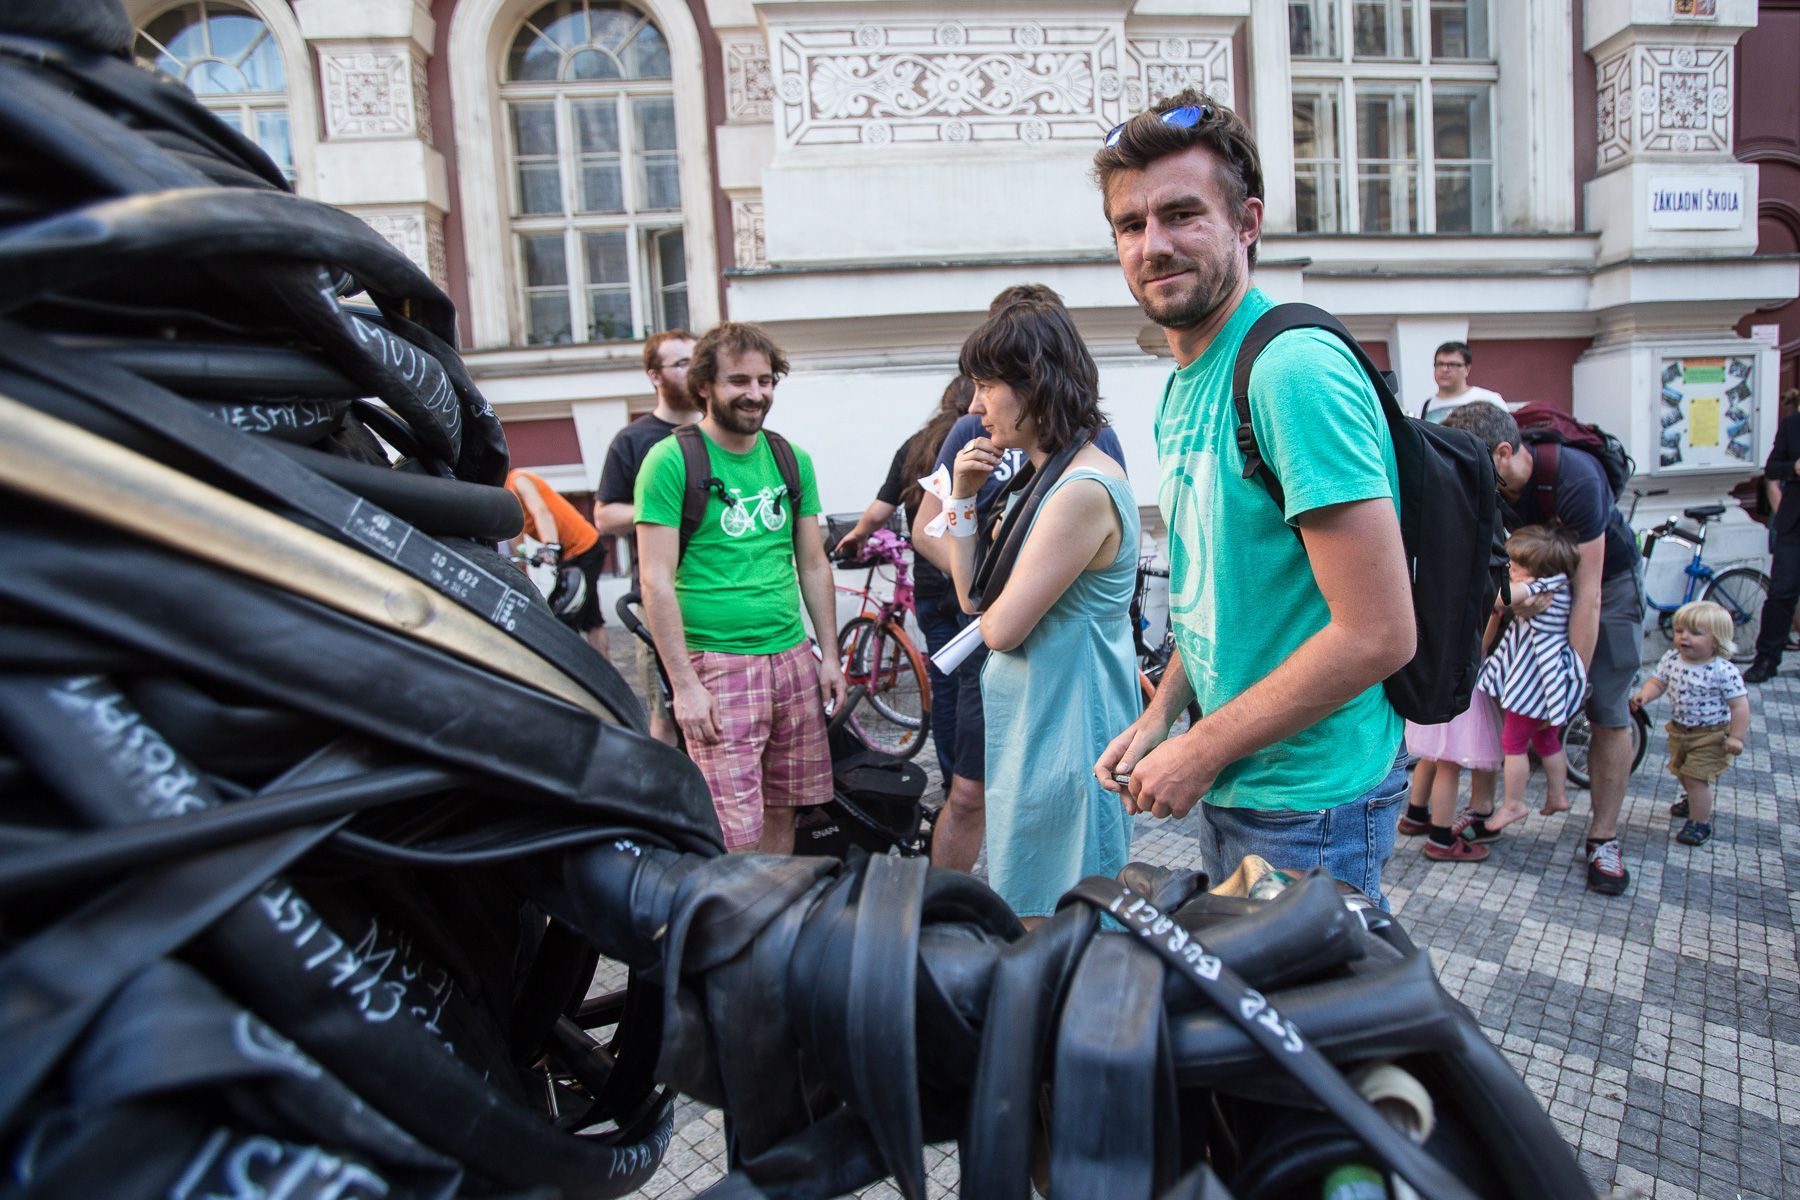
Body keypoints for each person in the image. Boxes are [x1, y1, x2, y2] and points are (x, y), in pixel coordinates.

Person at [1087, 92, 1416, 909]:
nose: (1152, 246)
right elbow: (1213, 600)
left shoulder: (1288, 371)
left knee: (1306, 1031)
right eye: (1130, 225)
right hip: (1245, 780)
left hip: (1313, 803)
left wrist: (1201, 750)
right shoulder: (1183, 385)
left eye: (1181, 214)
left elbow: (1379, 632)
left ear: (1248, 222)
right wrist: (1165, 715)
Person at [931, 297, 1138, 922]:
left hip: (1071, 732)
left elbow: (998, 626)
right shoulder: (1046, 477)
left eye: (987, 385)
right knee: (1037, 909)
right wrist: (963, 498)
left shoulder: (1079, 490)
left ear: (1036, 383)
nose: (973, 406)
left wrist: (973, 523)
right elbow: (973, 597)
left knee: (1066, 923)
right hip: (1038, 726)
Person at [633, 322, 847, 853]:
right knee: (733, 831)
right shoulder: (671, 460)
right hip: (717, 664)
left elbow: (814, 563)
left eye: (766, 380)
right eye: (739, 381)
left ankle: (772, 925)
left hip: (791, 657)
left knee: (784, 809)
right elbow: (654, 578)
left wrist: (829, 657)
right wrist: (684, 686)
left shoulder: (791, 459)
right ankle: (732, 929)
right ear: (704, 385)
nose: (756, 394)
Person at [1441, 402, 1642, 896]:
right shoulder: (1491, 479)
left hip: (1603, 587)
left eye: (1474, 465)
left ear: (1504, 453)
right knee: (1493, 693)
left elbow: (1588, 592)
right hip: (1529, 590)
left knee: (1606, 710)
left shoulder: (1575, 478)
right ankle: (1487, 806)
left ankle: (1603, 837)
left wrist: (1569, 679)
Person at [833, 375, 975, 792]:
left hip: (933, 584)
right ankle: (985, 783)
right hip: (977, 582)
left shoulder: (916, 446)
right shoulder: (985, 439)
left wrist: (856, 536)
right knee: (984, 687)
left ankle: (955, 781)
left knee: (946, 688)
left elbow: (881, 510)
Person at [594, 328, 697, 743]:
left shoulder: (721, 433)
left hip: (717, 597)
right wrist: (665, 511)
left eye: (698, 360)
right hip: (658, 598)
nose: (694, 371)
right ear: (655, 376)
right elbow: (604, 516)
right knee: (666, 713)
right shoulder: (634, 440)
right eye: (682, 363)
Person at [1476, 525, 1587, 832]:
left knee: (1513, 741)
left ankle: (1513, 803)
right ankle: (1558, 795)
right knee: (1545, 737)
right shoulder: (1558, 585)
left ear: (1538, 568)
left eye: (1516, 565)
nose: (1510, 569)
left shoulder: (1544, 585)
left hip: (1533, 680)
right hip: (1544, 678)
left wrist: (1497, 587)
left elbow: (1503, 599)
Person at [1631, 601, 1750, 846]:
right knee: (1682, 771)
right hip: (1679, 730)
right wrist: (1645, 695)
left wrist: (1736, 737)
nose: (1684, 637)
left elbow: (1740, 705)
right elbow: (1658, 682)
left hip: (1712, 735)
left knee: (1696, 778)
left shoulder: (1722, 670)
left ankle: (1699, 822)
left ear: (1716, 641)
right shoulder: (1672, 658)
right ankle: (1692, 801)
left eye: (1695, 633)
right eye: (1680, 630)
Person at [505, 468, 609, 656]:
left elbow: (541, 510)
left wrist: (550, 546)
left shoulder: (518, 479)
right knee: (592, 620)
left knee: (564, 619)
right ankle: (606, 676)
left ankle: (578, 675)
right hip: (572, 554)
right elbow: (516, 535)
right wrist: (522, 570)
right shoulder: (506, 496)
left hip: (584, 548)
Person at [1745, 387, 1800, 683]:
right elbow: (1772, 467)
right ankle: (1766, 659)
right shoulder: (1793, 424)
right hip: (1794, 523)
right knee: (1782, 591)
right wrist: (1794, 467)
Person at [1419, 341, 1506, 423]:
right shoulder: (1427, 405)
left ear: (1467, 369)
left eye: (1452, 365)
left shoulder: (1488, 400)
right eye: (1440, 364)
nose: (1445, 369)